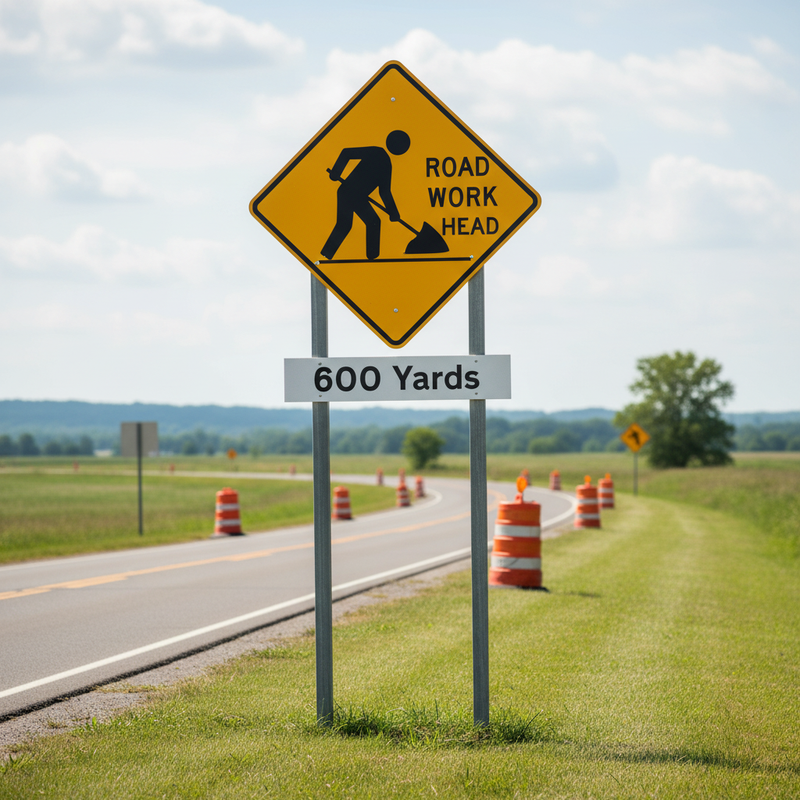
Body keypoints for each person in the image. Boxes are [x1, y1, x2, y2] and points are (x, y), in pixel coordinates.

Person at [321, 130, 410, 261]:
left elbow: (384, 192)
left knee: (366, 223)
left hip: (356, 196)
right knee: (348, 224)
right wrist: (336, 172)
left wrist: (393, 213)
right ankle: (326, 257)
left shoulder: (385, 161)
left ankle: (369, 259)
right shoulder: (378, 154)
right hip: (348, 192)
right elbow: (346, 153)